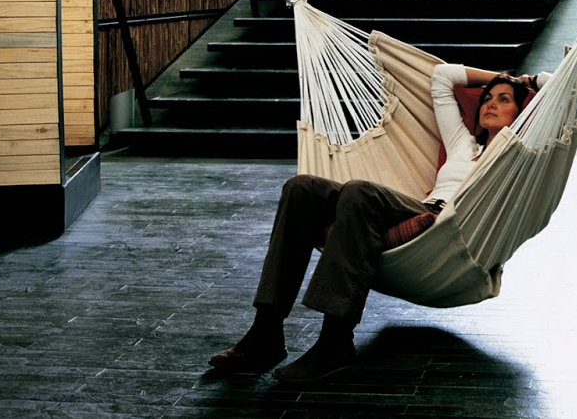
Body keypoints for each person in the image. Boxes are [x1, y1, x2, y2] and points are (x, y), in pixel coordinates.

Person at [208, 63, 549, 384]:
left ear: (522, 112)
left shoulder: (517, 153)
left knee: (360, 193)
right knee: (301, 189)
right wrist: (504, 78)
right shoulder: (463, 143)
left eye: (504, 100)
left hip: (453, 224)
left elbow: (557, 91)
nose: (490, 103)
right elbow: (443, 76)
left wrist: (527, 83)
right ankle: (266, 332)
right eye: (487, 98)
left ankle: (335, 342)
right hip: (421, 207)